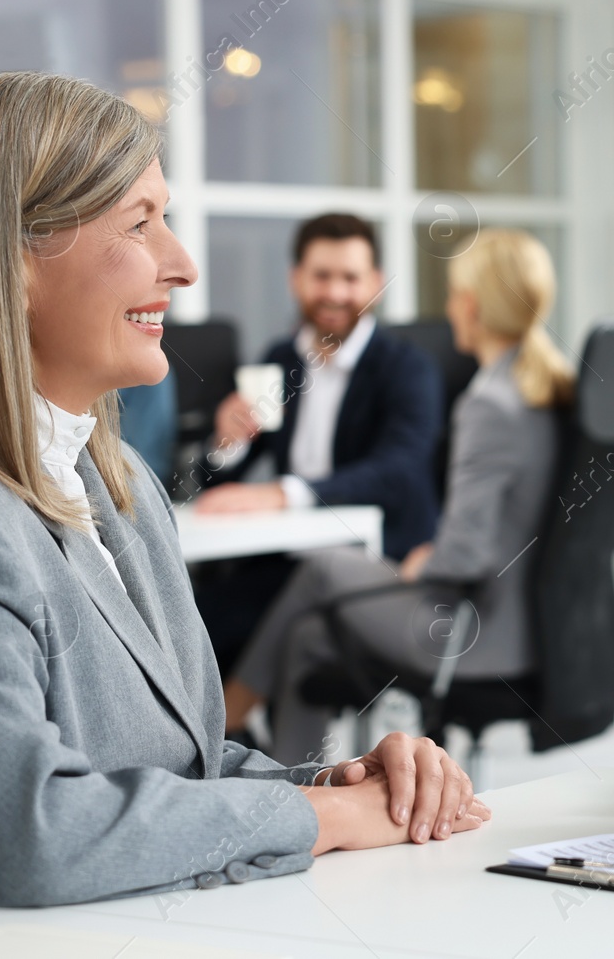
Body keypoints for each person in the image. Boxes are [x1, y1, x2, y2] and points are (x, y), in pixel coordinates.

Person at [0, 72, 488, 942]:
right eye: (139, 223)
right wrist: (329, 821)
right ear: (14, 257)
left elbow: (182, 765)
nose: (181, 264)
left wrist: (341, 785)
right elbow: (25, 833)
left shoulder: (122, 485)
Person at [222, 229, 572, 766]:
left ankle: (229, 715)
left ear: (472, 305)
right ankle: (298, 790)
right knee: (307, 635)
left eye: (455, 295)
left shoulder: (487, 404)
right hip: (521, 625)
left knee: (323, 572)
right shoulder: (543, 388)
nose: (450, 307)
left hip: (470, 634)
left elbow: (462, 551)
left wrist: (423, 563)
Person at [190, 213, 443, 673]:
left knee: (267, 634)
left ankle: (234, 731)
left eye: (350, 277)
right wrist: (228, 444)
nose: (335, 292)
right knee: (192, 621)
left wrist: (285, 493)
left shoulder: (407, 368)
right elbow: (219, 481)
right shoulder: (279, 359)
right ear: (296, 279)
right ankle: (228, 739)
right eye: (321, 276)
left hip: (380, 564)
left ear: (375, 283)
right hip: (290, 564)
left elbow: (399, 469)